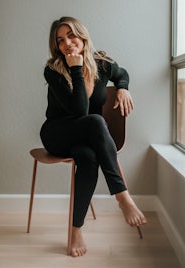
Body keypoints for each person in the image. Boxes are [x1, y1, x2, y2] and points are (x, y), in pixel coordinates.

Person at [40, 16, 147, 257]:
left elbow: (122, 73)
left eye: (71, 36)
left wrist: (123, 88)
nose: (67, 43)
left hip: (86, 138)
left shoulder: (102, 64)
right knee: (96, 120)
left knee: (88, 158)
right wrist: (76, 68)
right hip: (58, 134)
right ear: (56, 46)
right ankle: (122, 196)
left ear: (83, 36)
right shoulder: (53, 69)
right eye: (60, 40)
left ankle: (76, 229)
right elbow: (80, 112)